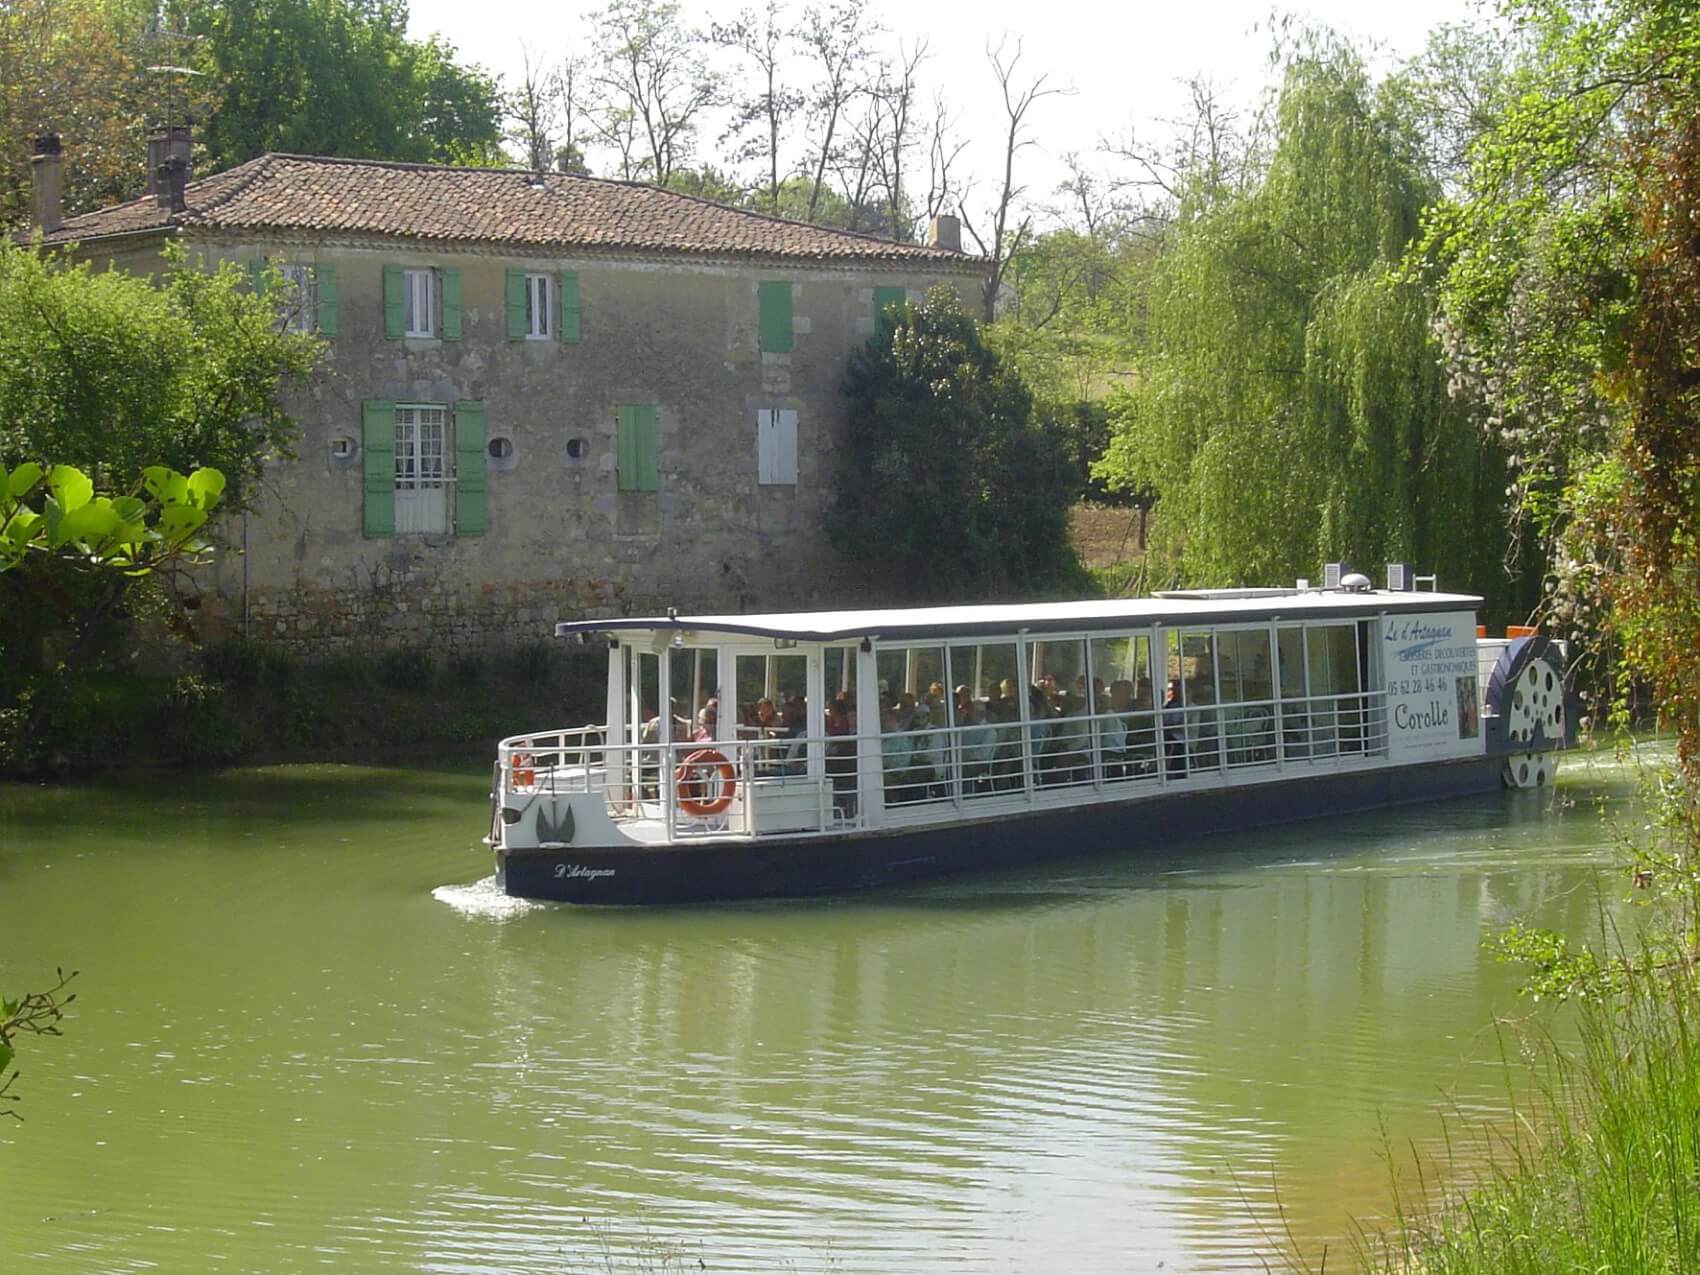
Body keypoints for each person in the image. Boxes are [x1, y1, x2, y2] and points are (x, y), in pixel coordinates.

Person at [1162, 680, 1187, 777]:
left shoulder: (1188, 706)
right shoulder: (1170, 705)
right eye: (1173, 689)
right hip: (1170, 735)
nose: (1174, 691)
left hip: (1182, 738)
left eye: (1176, 689)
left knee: (1175, 747)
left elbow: (1179, 724)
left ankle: (1177, 773)